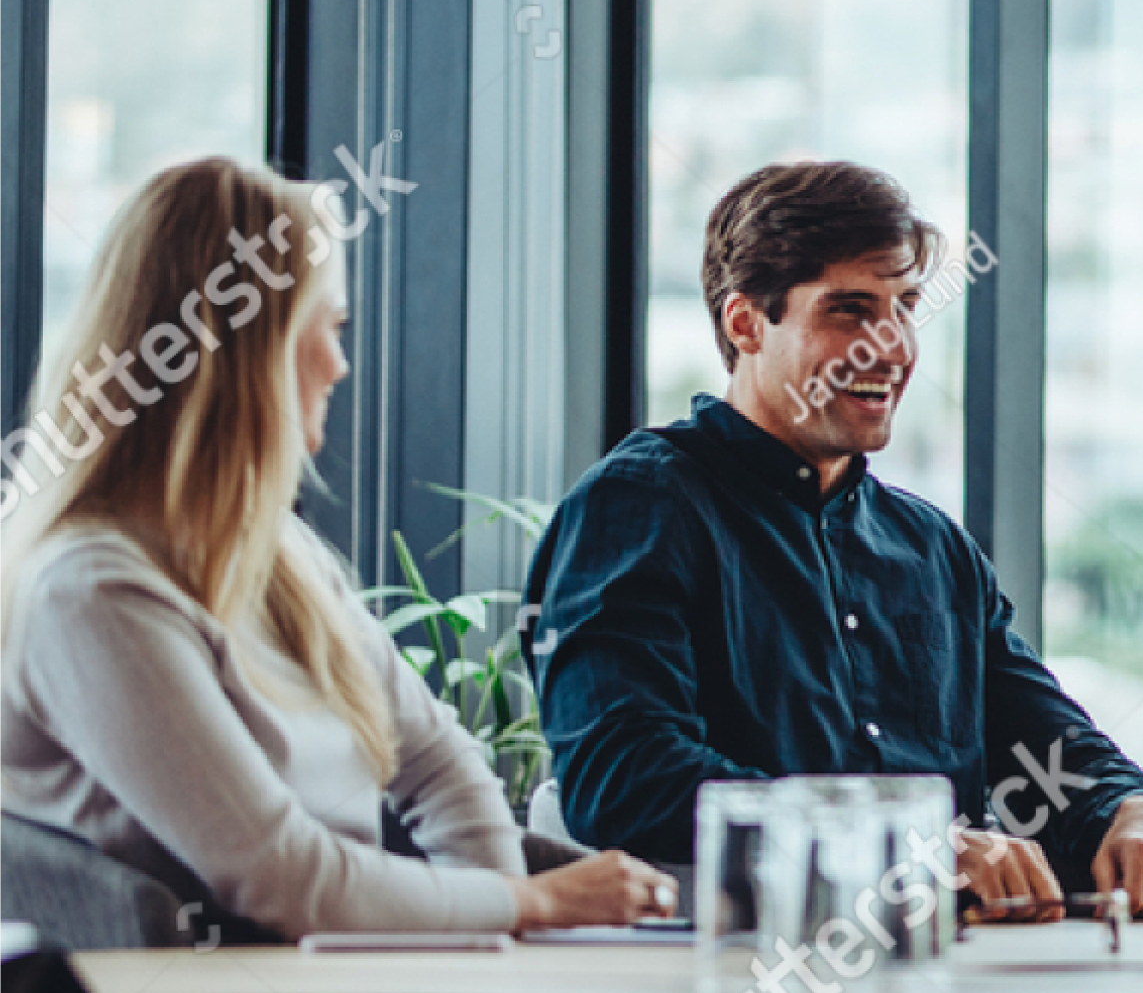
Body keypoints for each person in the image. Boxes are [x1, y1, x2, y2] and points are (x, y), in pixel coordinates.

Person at [0, 158, 674, 937]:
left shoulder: (277, 554)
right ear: (248, 351)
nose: (341, 363)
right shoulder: (91, 593)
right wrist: (531, 902)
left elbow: (436, 762)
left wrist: (492, 927)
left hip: (325, 989)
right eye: (331, 327)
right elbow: (278, 876)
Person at [529, 161, 1143, 918]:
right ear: (746, 323)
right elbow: (624, 779)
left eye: (904, 306)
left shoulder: (932, 549)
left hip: (946, 975)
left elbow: (1046, 754)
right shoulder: (640, 507)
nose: (892, 346)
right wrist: (898, 841)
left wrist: (1131, 807)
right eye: (848, 310)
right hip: (724, 982)